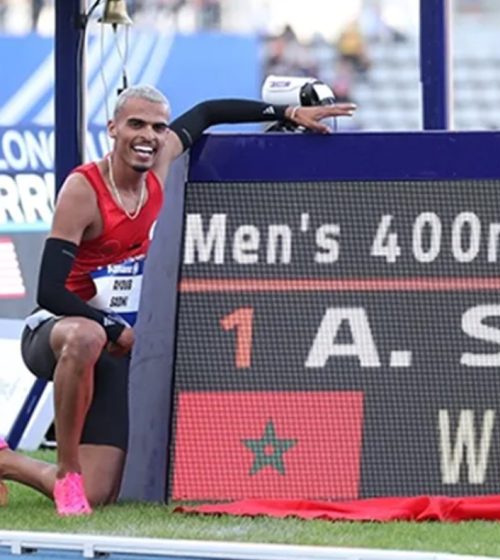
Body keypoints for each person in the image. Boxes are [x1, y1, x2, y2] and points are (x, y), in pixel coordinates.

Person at [0, 85, 356, 516]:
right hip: (56, 333)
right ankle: (67, 471)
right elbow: (49, 291)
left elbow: (208, 110)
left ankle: (11, 463)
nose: (148, 135)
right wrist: (114, 326)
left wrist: (289, 110)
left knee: (100, 495)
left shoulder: (161, 161)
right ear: (113, 129)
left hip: (113, 352)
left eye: (158, 127)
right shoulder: (84, 188)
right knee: (86, 334)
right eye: (136, 124)